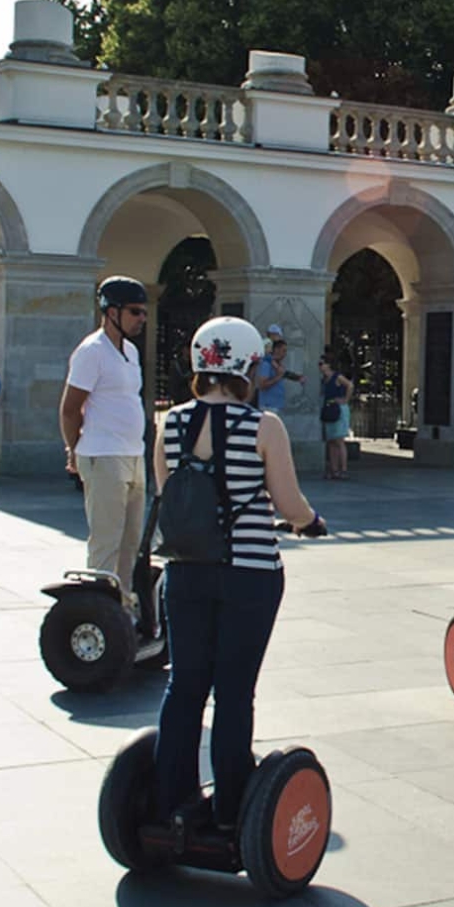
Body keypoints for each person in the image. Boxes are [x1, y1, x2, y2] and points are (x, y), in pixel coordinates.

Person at [149, 316, 326, 832]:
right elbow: (289, 504)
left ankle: (167, 801)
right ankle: (229, 806)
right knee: (233, 690)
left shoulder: (172, 422)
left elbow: (169, 494)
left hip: (185, 572)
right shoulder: (263, 426)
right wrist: (310, 523)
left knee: (184, 686)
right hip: (249, 574)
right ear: (248, 365)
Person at [61, 277, 152, 593]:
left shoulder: (130, 351)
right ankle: (99, 610)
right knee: (106, 542)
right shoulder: (92, 351)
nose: (142, 318)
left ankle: (122, 610)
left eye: (143, 312)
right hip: (103, 454)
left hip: (133, 454)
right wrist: (73, 450)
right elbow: (71, 408)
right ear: (112, 311)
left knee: (131, 543)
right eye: (135, 312)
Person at [316, 351, 354, 479]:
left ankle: (343, 469)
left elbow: (350, 385)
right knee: (331, 441)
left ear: (328, 365)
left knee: (339, 440)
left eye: (322, 364)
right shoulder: (324, 380)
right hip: (329, 408)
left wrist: (345, 399)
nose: (320, 366)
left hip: (338, 409)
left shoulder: (337, 377)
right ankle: (334, 469)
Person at [252, 336, 300, 414]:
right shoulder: (266, 364)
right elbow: (262, 385)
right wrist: (278, 376)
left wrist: (298, 378)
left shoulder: (277, 365)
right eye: (283, 351)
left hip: (276, 406)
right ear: (276, 350)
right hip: (268, 407)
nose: (285, 354)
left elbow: (285, 373)